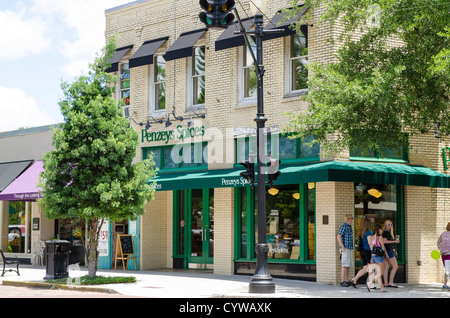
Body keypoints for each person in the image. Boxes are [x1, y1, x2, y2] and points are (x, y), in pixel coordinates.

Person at [349, 219, 373, 287]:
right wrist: (373, 252)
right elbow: (370, 243)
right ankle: (370, 284)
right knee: (370, 267)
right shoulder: (369, 232)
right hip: (368, 251)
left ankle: (355, 279)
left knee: (365, 268)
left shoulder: (361, 232)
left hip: (362, 251)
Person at [367, 223, 388, 292]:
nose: (382, 230)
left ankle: (382, 288)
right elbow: (383, 246)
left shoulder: (372, 237)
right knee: (380, 273)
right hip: (379, 257)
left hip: (373, 256)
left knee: (378, 273)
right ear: (379, 230)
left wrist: (371, 257)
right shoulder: (380, 237)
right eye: (381, 229)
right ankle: (370, 282)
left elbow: (372, 248)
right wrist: (386, 254)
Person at [337, 214, 354, 287]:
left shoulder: (349, 227)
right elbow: (338, 236)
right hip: (345, 248)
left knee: (348, 265)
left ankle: (346, 280)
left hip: (349, 247)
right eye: (351, 218)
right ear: (348, 219)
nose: (352, 220)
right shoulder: (344, 226)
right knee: (344, 265)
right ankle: (342, 280)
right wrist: (343, 247)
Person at [382, 220, 400, 288]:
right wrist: (394, 241)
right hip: (388, 251)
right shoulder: (386, 232)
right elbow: (384, 241)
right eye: (388, 224)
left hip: (385, 251)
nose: (390, 226)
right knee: (395, 266)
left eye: (391, 224)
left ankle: (386, 283)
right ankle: (391, 282)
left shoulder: (385, 232)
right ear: (385, 225)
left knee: (386, 267)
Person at [437, 222, 450, 290]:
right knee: (448, 270)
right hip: (449, 254)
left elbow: (438, 242)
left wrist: (441, 249)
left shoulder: (443, 234)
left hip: (443, 254)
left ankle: (445, 285)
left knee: (447, 270)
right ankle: (445, 285)